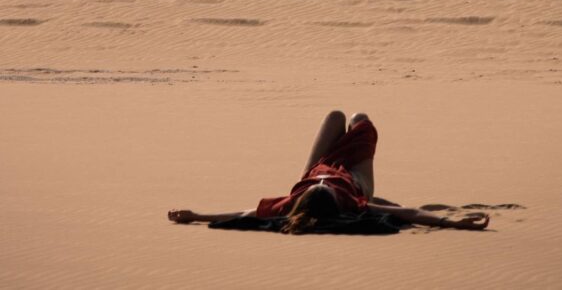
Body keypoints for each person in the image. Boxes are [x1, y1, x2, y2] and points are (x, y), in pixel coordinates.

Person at [168, 111, 489, 233]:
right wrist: (453, 222)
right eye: (328, 190)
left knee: (335, 116)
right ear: (338, 199)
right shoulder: (354, 202)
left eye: (313, 191)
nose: (324, 187)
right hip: (357, 180)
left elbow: (243, 212)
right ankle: (355, 137)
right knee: (360, 120)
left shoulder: (290, 203)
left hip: (312, 170)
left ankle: (313, 174)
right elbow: (409, 212)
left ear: (302, 198)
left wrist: (196, 215)